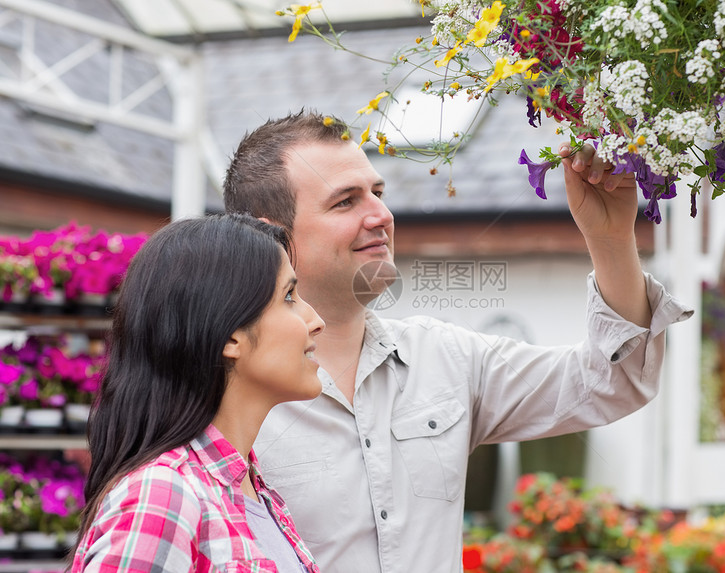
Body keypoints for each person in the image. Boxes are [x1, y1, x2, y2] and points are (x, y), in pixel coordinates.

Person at [223, 110, 692, 573]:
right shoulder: (219, 398)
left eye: (378, 193)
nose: (382, 215)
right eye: (346, 201)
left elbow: (612, 382)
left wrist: (610, 239)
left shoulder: (445, 357)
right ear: (271, 237)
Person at [71, 214, 325, 572]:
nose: (315, 320)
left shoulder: (248, 489)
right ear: (229, 335)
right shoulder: (165, 494)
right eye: (289, 296)